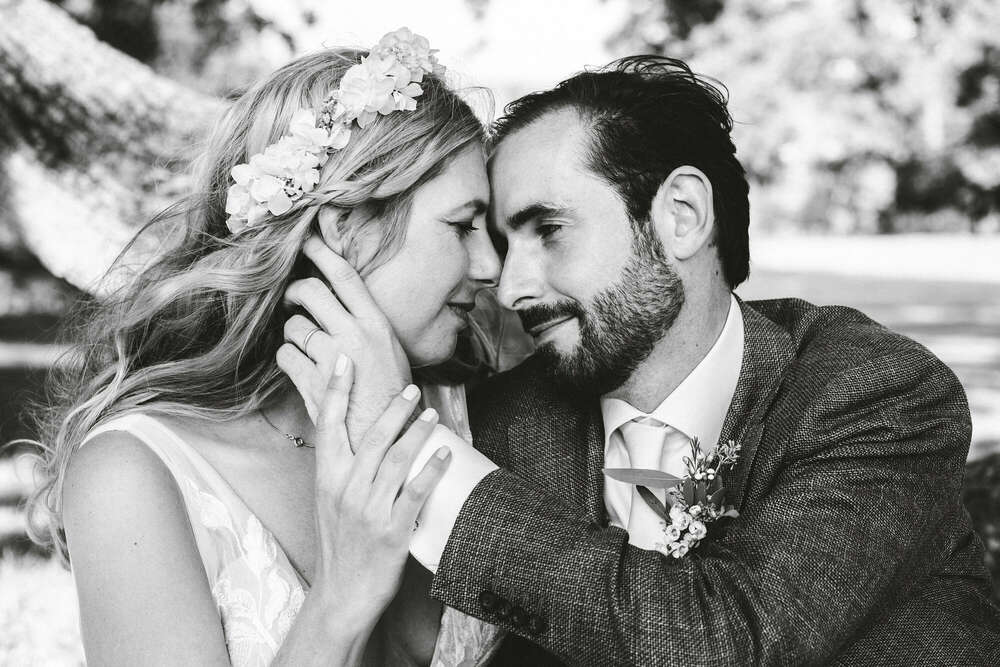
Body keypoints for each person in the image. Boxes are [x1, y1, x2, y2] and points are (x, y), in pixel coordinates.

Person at [283, 57, 1000, 664]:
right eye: (504, 241)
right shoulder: (502, 421)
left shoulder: (876, 395)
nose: (509, 285)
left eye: (549, 230)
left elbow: (726, 639)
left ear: (681, 215)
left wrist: (413, 452)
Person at [24, 29, 507, 666]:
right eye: (462, 226)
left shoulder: (484, 413)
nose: (492, 266)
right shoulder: (136, 473)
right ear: (345, 229)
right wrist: (340, 598)